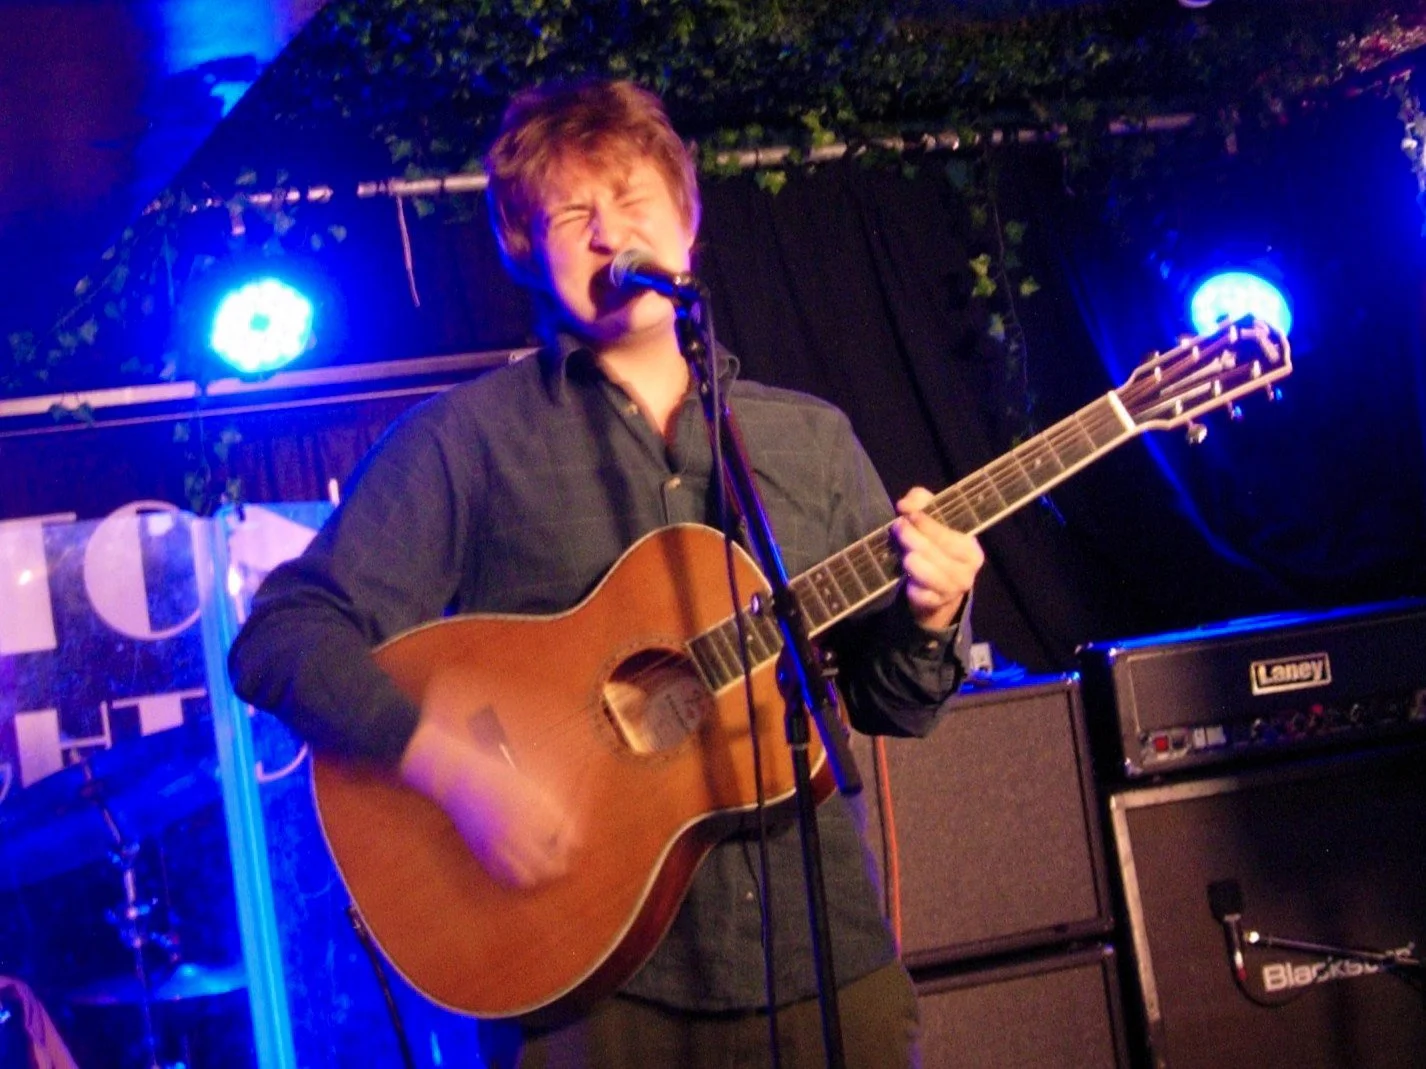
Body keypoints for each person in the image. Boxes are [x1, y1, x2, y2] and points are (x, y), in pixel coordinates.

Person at [228, 77, 984, 1068]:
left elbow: (896, 706)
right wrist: (444, 763)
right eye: (573, 212)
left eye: (632, 202)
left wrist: (932, 612)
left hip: (824, 962)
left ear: (687, 220)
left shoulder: (807, 439)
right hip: (585, 983)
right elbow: (282, 635)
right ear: (524, 247)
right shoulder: (470, 442)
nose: (607, 233)